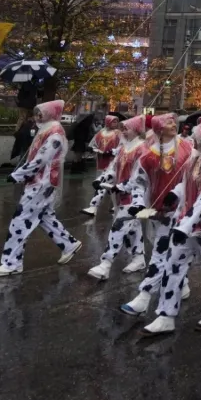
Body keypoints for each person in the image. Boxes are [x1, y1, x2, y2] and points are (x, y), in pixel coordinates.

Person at [143, 120, 201, 335]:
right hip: (187, 223)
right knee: (173, 265)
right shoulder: (196, 156)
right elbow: (186, 182)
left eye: (198, 136)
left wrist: (185, 224)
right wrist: (175, 193)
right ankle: (166, 314)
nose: (194, 139)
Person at [0, 100, 81, 276]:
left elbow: (40, 160)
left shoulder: (54, 133)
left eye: (41, 112)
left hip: (42, 183)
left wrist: (18, 175)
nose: (37, 116)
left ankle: (11, 262)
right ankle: (69, 244)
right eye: (37, 112)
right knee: (44, 217)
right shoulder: (47, 130)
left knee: (21, 220)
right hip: (41, 182)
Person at [119, 114, 195, 317]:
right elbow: (139, 182)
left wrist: (179, 196)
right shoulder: (148, 155)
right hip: (157, 212)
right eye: (168, 122)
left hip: (181, 211)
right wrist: (137, 203)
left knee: (160, 253)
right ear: (159, 129)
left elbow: (194, 176)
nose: (173, 125)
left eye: (173, 122)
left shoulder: (188, 148)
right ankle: (183, 284)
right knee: (174, 251)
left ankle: (144, 296)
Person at [86, 114, 149, 280]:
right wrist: (101, 179)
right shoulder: (124, 147)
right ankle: (139, 258)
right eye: (123, 129)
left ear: (136, 130)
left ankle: (105, 264)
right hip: (120, 195)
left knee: (119, 226)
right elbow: (113, 168)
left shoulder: (142, 149)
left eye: (126, 129)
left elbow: (139, 176)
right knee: (133, 228)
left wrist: (122, 186)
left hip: (134, 197)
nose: (123, 132)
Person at [81, 114, 122, 216]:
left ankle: (96, 207)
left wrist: (111, 152)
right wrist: (95, 150)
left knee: (109, 185)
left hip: (113, 163)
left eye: (116, 121)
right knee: (105, 185)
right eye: (113, 121)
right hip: (101, 162)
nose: (115, 123)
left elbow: (122, 146)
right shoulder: (101, 133)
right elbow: (93, 144)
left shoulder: (118, 133)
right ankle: (113, 206)